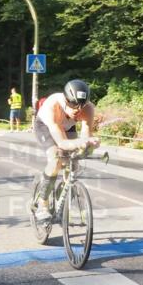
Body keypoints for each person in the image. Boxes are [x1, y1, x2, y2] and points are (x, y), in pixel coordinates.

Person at [31, 79, 99, 211]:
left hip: (68, 127)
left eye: (81, 105)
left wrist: (89, 144)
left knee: (74, 165)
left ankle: (61, 198)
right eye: (74, 105)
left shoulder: (88, 108)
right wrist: (79, 143)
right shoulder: (54, 105)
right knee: (56, 158)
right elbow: (62, 143)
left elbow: (85, 136)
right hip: (45, 126)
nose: (78, 110)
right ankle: (42, 203)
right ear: (66, 100)